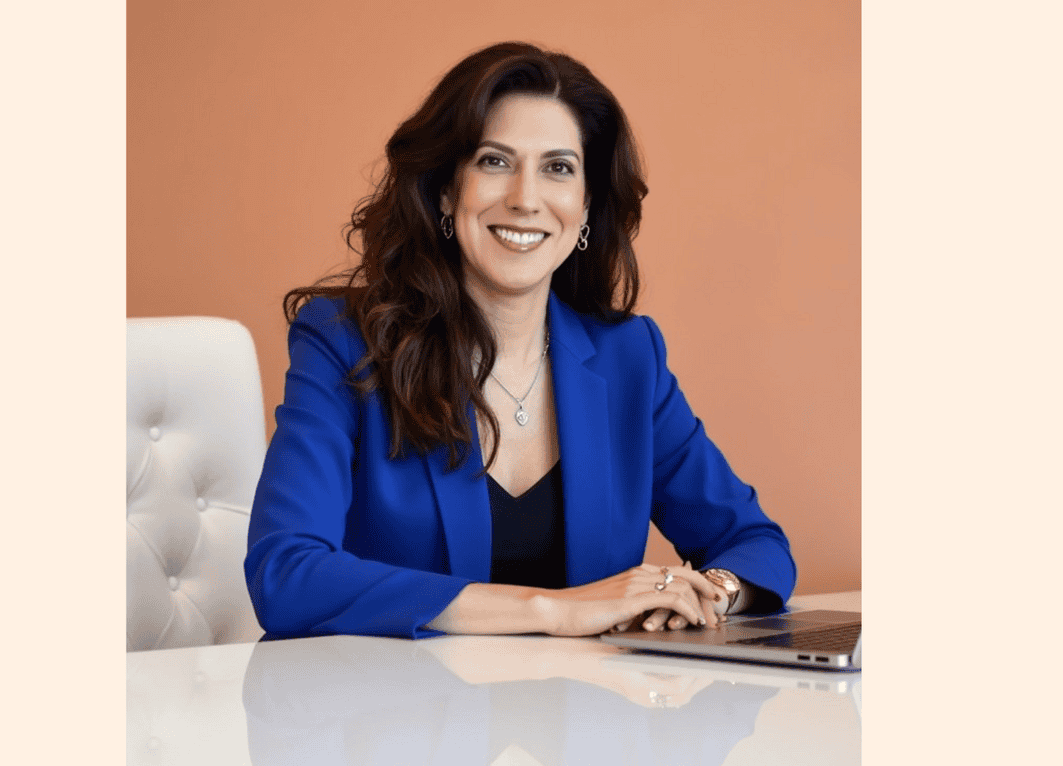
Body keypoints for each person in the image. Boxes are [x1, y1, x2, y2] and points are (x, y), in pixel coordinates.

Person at [245, 42, 795, 640]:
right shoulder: (345, 343)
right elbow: (285, 574)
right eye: (494, 161)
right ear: (447, 192)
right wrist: (552, 610)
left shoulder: (628, 357)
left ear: (585, 208)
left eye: (558, 167)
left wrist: (707, 592)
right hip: (396, 721)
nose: (526, 199)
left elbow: (754, 542)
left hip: (588, 726)